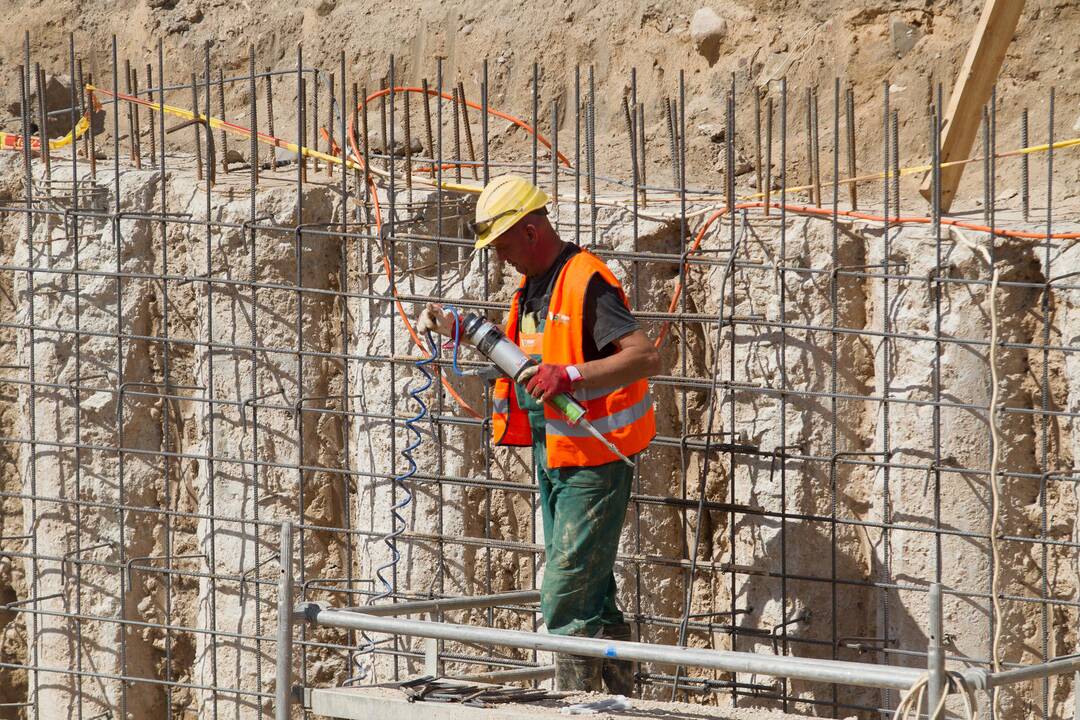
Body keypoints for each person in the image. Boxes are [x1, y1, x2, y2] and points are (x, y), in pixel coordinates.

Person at [418, 175, 660, 694]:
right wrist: (466, 333)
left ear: (530, 231)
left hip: (596, 458)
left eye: (503, 246)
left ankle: (576, 702)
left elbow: (645, 356)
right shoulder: (533, 287)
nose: (500, 258)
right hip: (556, 454)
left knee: (566, 594)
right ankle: (620, 699)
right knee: (592, 590)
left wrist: (568, 376)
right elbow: (529, 359)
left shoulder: (585, 281)